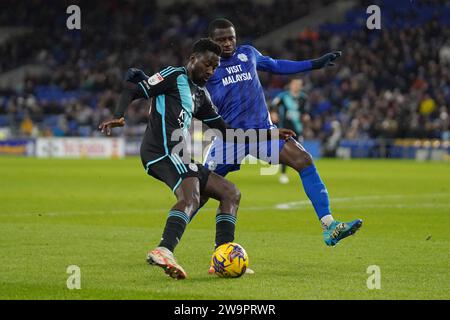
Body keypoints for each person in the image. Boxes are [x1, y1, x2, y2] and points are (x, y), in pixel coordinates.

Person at [99, 39, 294, 280]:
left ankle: (221, 256)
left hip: (180, 153)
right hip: (161, 149)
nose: (211, 71)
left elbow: (227, 132)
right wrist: (119, 116)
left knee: (230, 192)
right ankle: (164, 250)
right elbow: (132, 89)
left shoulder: (201, 95)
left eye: (215, 67)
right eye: (208, 65)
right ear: (193, 60)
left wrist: (270, 134)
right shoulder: (173, 75)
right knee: (191, 196)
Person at [199, 19, 362, 252]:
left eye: (230, 38)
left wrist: (314, 64)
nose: (227, 43)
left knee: (304, 160)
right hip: (230, 138)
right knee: (200, 193)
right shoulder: (207, 67)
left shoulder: (248, 54)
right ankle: (167, 246)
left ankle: (329, 225)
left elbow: (276, 65)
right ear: (211, 42)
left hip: (264, 132)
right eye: (221, 39)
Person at [271, 78, 308, 184]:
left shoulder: (303, 98)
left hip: (298, 129)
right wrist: (273, 113)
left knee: (300, 151)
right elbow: (273, 104)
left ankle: (303, 174)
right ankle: (283, 174)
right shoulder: (283, 96)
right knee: (285, 151)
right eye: (295, 84)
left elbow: (304, 111)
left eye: (299, 84)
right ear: (291, 85)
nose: (297, 86)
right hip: (285, 129)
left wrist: (306, 116)